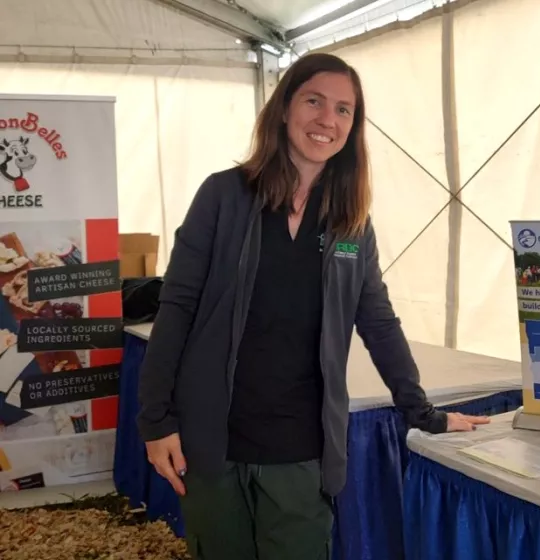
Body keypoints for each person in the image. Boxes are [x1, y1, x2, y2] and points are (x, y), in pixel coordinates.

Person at [136, 52, 489, 560]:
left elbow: (378, 320)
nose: (327, 119)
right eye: (314, 101)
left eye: (344, 110)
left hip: (300, 447)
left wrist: (422, 411)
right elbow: (177, 308)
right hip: (212, 440)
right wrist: (157, 423)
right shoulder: (223, 196)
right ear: (284, 108)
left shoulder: (350, 221)